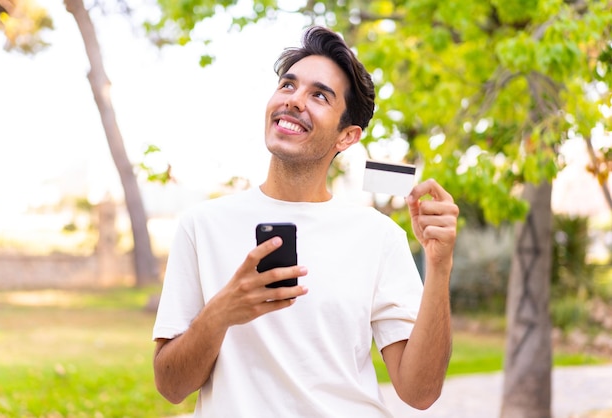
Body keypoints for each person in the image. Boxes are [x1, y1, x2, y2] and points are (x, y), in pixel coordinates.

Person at [152, 26, 459, 417]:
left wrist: (440, 265)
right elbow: (171, 386)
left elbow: (420, 392)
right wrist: (222, 311)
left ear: (347, 136)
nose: (294, 100)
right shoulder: (202, 226)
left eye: (319, 95)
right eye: (287, 85)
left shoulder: (379, 237)